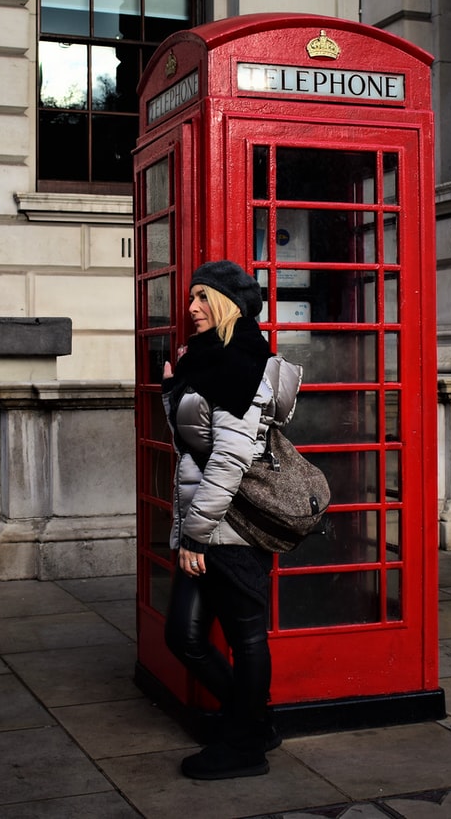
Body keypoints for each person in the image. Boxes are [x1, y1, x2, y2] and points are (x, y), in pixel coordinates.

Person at [161, 259, 303, 780]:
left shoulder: (241, 364)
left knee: (246, 639)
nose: (191, 308)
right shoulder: (205, 360)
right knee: (184, 637)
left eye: (202, 298)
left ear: (227, 305)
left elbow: (227, 459)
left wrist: (195, 534)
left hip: (232, 529)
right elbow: (192, 443)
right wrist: (172, 387)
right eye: (191, 298)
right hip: (204, 525)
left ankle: (245, 747)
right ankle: (253, 720)